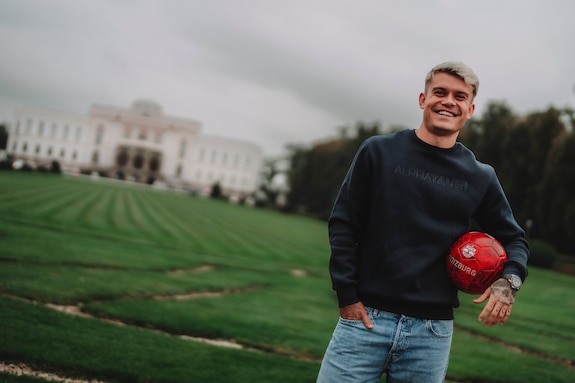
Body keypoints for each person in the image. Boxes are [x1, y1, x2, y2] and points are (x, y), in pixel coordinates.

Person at [316, 61, 529, 383]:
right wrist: (346, 296)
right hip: (364, 321)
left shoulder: (480, 176)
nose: (448, 101)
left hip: (431, 333)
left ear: (469, 109)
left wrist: (508, 282)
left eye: (459, 96)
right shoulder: (379, 151)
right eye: (439, 92)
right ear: (422, 99)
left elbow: (515, 239)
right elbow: (344, 224)